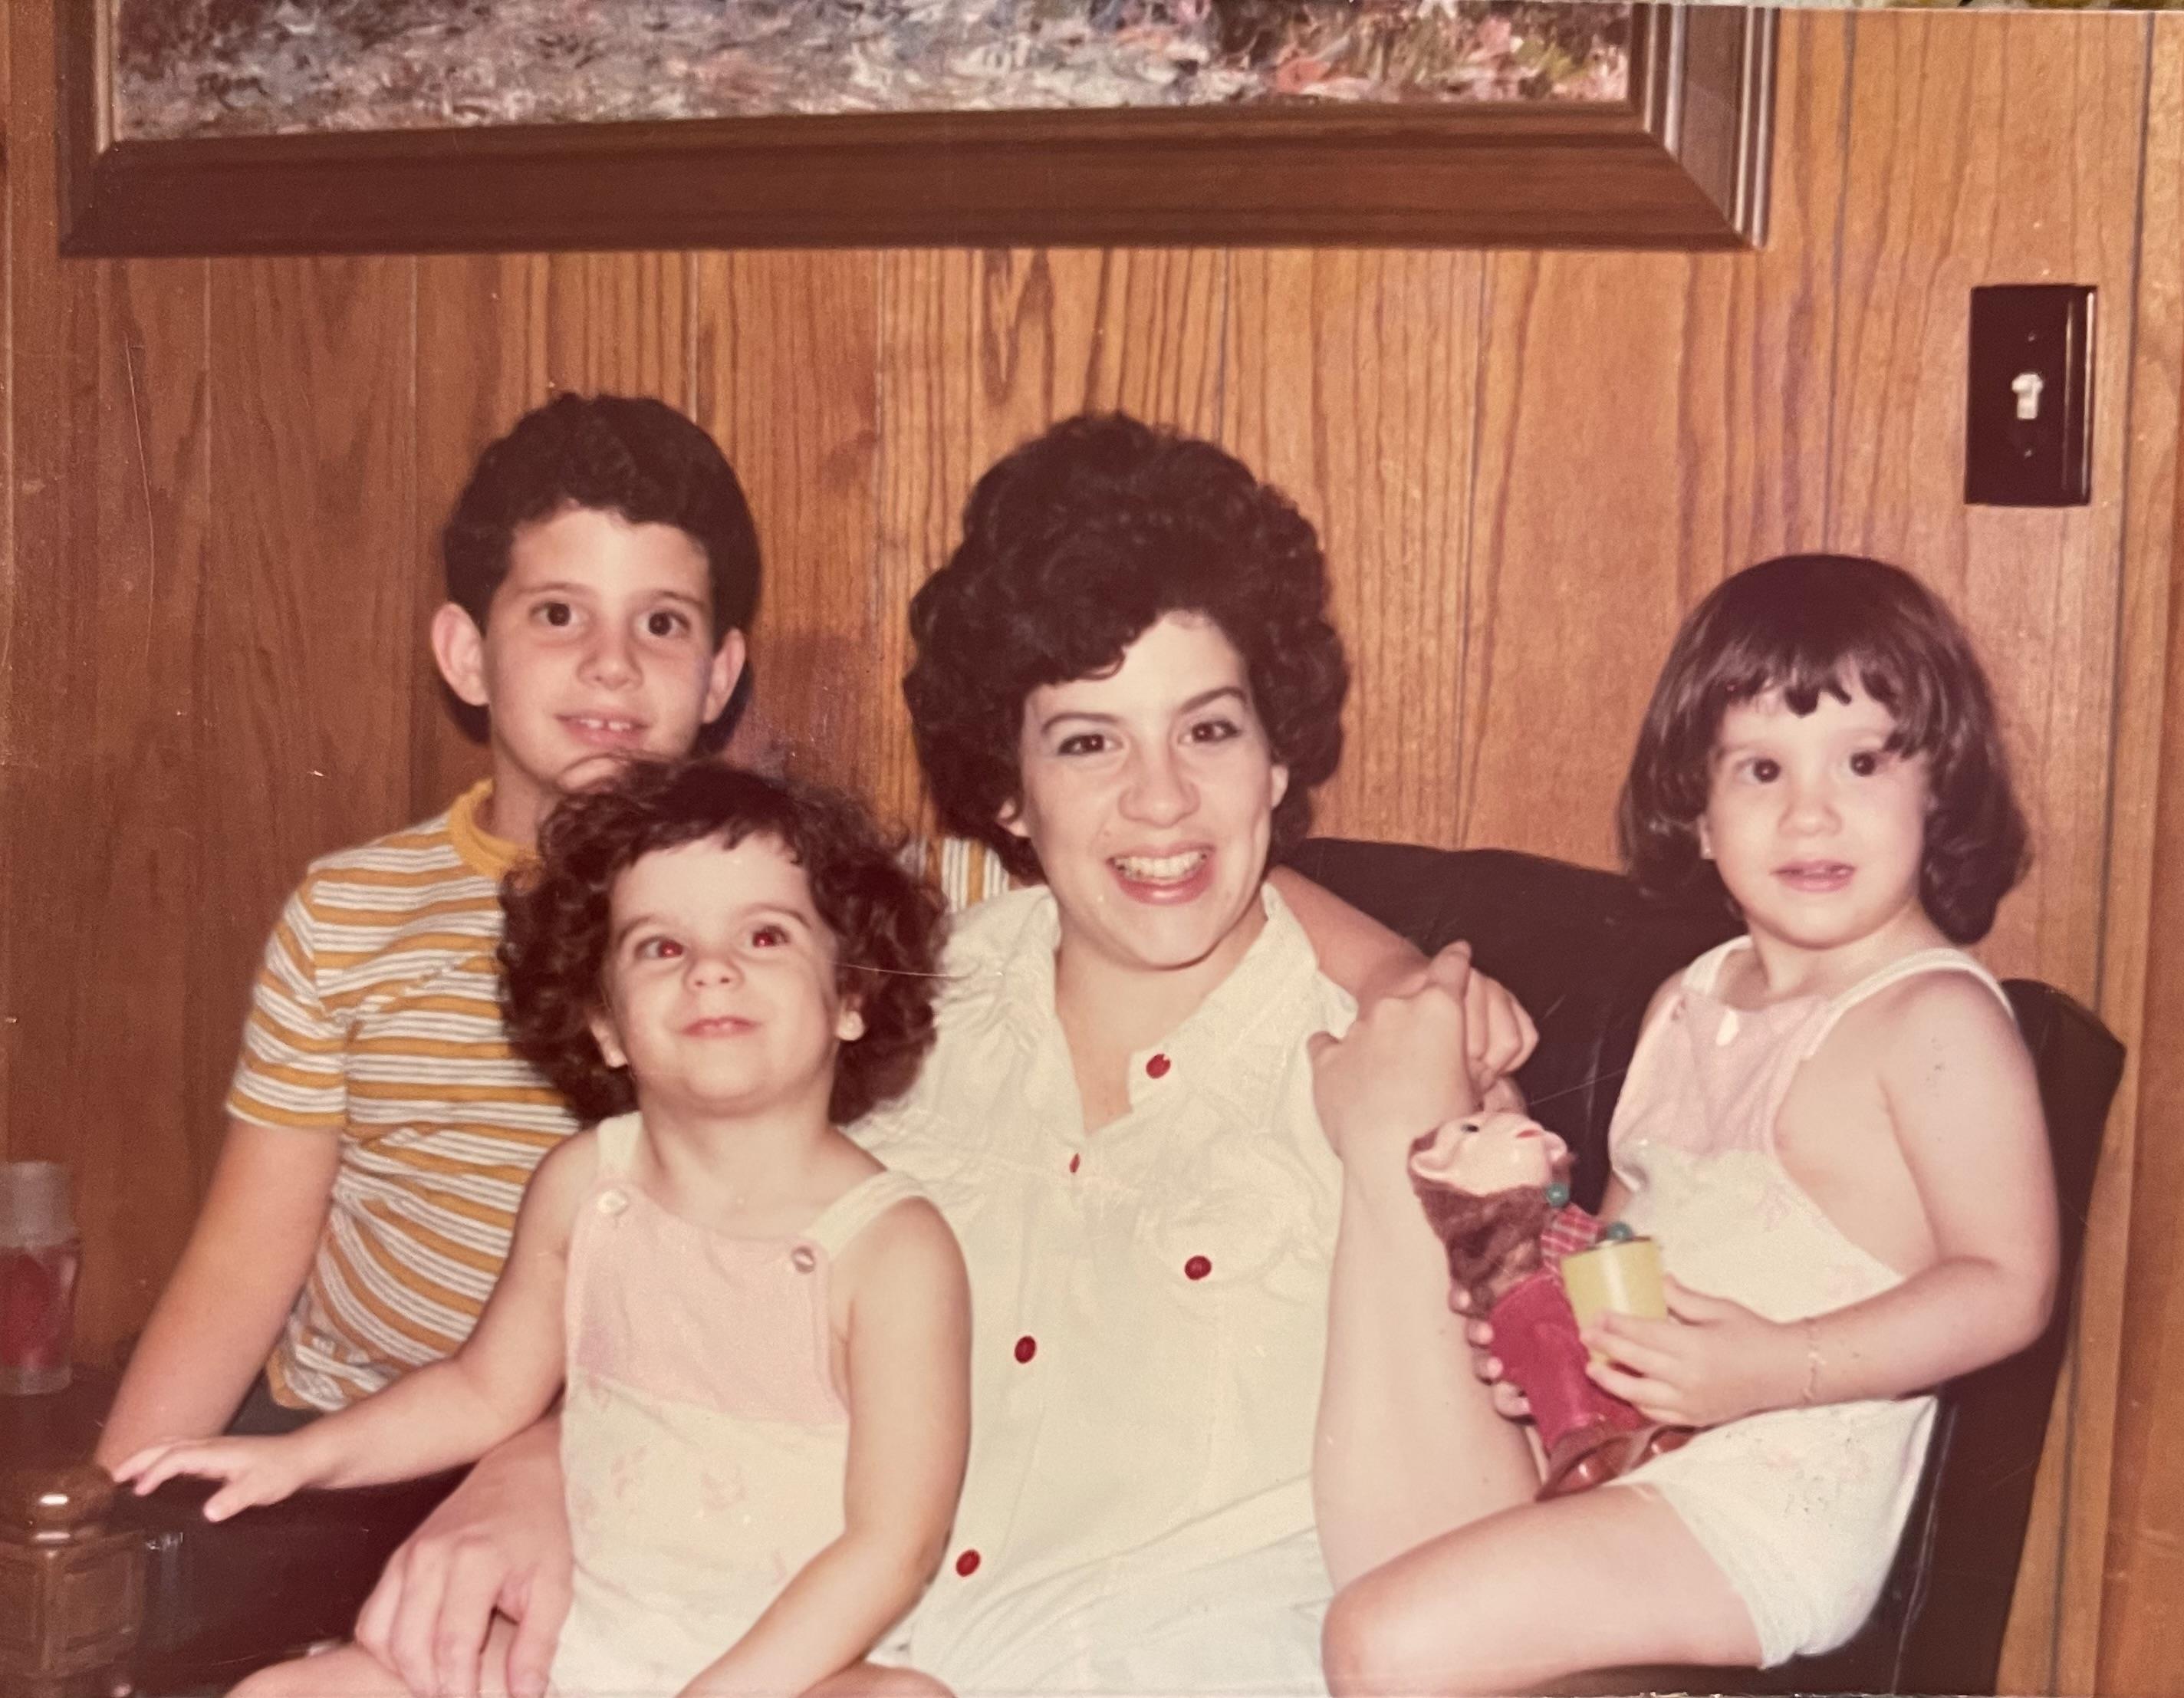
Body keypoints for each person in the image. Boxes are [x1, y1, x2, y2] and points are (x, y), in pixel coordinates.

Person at [340, 413, 1537, 1698]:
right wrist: (534, 1466)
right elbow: (689, 1307)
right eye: (1087, 740)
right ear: (1007, 790)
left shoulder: (1403, 1059)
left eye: (1208, 730)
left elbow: (1459, 1593)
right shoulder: (888, 1005)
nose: (1160, 799)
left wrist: (1391, 1141)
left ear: (1276, 757)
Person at [1311, 553, 2059, 1692]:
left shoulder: (1934, 1021)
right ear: (1697, 814)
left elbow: (2008, 1285)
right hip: (1631, 1461)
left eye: (1862, 762)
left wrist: (1773, 1366)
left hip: (1763, 1512)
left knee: (1382, 1638)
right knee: (1374, 1548)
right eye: (1761, 768)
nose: (1810, 811)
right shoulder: (1688, 1001)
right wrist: (1548, 1347)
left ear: (1939, 788)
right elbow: (1619, 1254)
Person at [94, 393, 758, 1655]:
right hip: (336, 1447)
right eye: (557, 613)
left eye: (661, 622)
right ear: (466, 652)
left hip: (611, 1462)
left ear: (719, 674)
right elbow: (245, 1257)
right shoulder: (352, 912)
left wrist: (548, 1452)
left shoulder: (746, 932)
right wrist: (112, 1514)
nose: (611, 664)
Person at [117, 759, 968, 1698]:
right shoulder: (584, 1186)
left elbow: (893, 1545)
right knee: (282, 1694)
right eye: (660, 947)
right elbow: (481, 1391)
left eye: (764, 935)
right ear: (604, 1023)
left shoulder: (892, 1248)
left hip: (787, 1675)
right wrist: (301, 1459)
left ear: (851, 995)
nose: (710, 968)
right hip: (571, 1653)